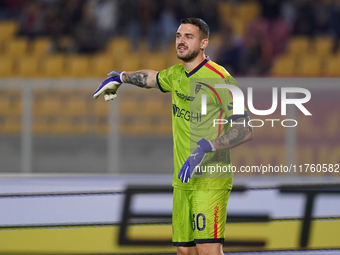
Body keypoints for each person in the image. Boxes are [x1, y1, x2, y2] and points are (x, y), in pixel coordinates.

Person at [93, 18, 253, 255]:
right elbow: (151, 78)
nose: (181, 41)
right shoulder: (176, 74)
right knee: (185, 252)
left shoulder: (221, 79)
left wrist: (206, 147)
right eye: (178, 36)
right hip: (183, 180)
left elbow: (245, 129)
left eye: (189, 36)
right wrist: (121, 77)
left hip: (210, 181)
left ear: (203, 43)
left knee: (207, 249)